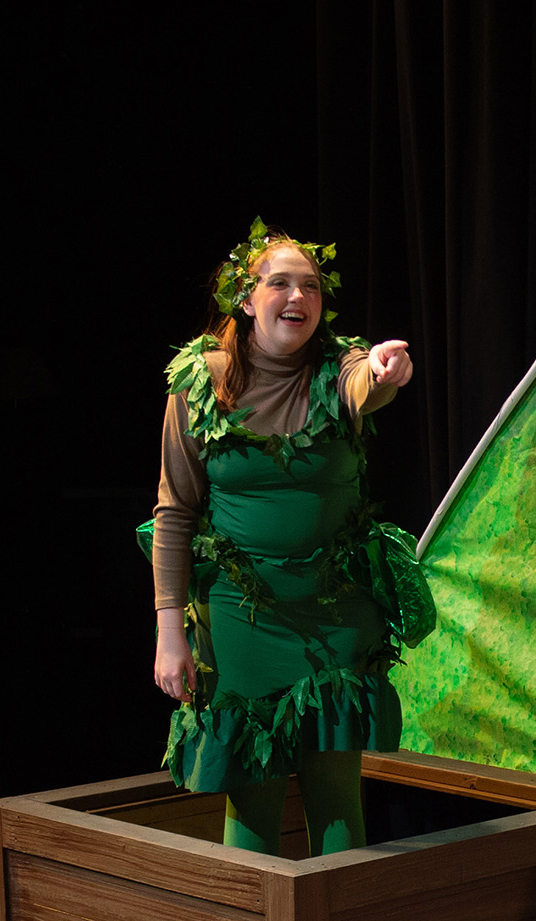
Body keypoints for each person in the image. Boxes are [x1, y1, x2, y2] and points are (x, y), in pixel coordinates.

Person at [145, 219, 434, 856]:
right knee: (252, 786)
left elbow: (369, 381)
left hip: (335, 609)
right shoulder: (201, 384)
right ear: (246, 301)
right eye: (279, 283)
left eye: (310, 285)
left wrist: (386, 366)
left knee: (336, 786)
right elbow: (175, 513)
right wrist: (170, 631)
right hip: (242, 615)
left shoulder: (338, 370)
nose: (297, 296)